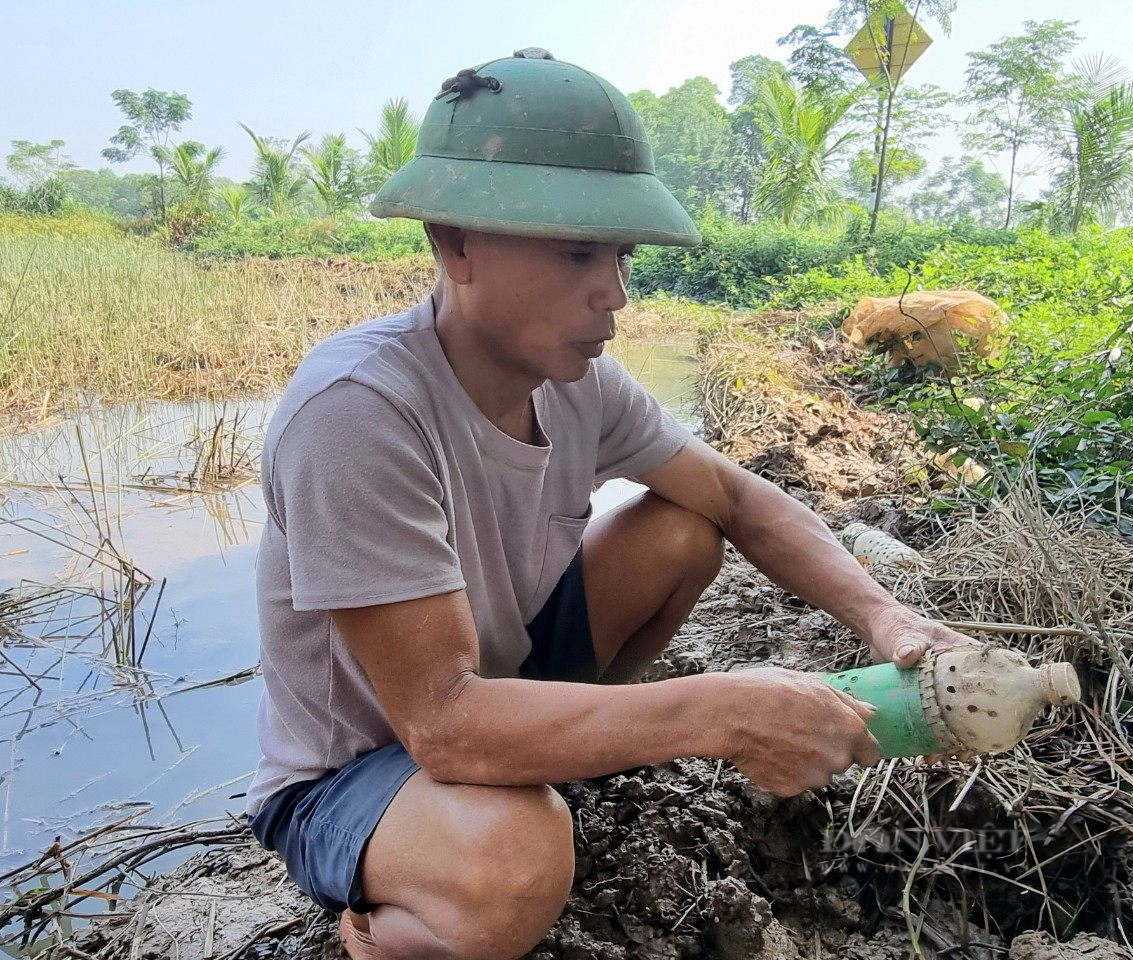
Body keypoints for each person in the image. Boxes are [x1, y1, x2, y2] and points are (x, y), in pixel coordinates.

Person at [246, 48, 974, 960]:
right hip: (357, 769)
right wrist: (714, 710)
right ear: (455, 242)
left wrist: (887, 617)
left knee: (682, 528)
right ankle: (379, 930)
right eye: (575, 251)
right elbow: (441, 724)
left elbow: (739, 500)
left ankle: (551, 760)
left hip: (499, 691)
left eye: (620, 254)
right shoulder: (358, 412)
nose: (615, 293)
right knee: (513, 862)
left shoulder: (581, 380)